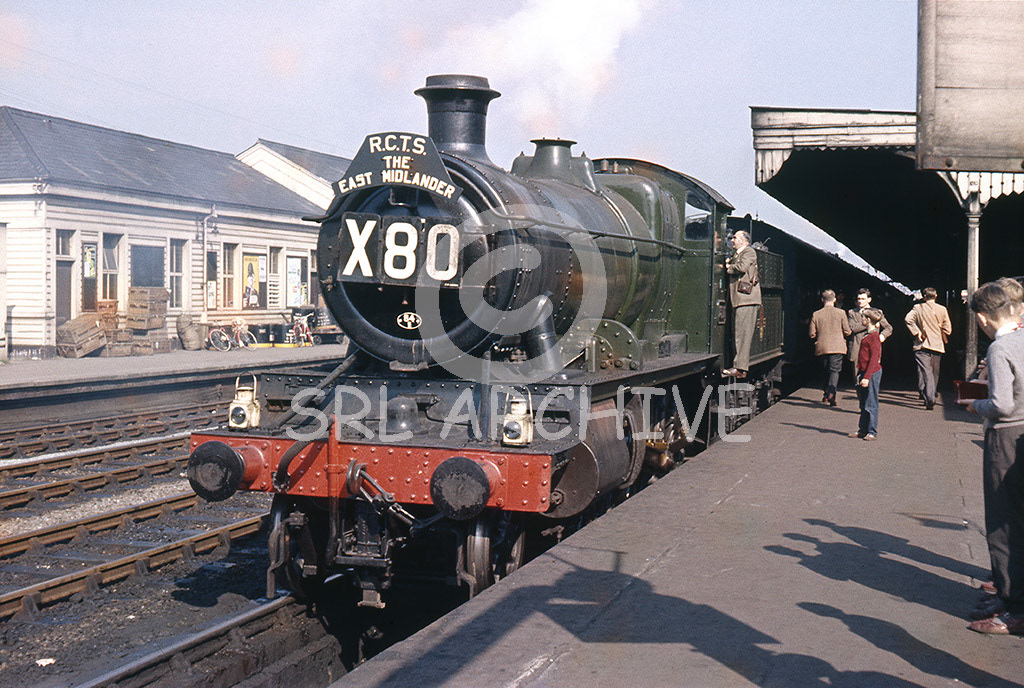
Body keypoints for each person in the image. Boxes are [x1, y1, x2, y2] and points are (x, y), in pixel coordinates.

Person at [959, 282, 1024, 635]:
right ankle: (1011, 597)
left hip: (1005, 438)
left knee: (1001, 523)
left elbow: (1001, 404)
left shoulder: (1001, 348)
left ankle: (1011, 607)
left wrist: (974, 405)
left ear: (982, 318)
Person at [904, 287, 952, 410]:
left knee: (926, 371)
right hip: (937, 345)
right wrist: (940, 326)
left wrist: (917, 332)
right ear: (936, 296)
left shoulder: (918, 308)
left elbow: (908, 319)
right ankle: (932, 392)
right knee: (935, 372)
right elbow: (948, 330)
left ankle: (929, 396)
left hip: (922, 344)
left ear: (924, 296)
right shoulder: (942, 309)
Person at [723, 230, 760, 379]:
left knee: (742, 335)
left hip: (747, 300)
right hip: (741, 300)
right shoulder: (738, 254)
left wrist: (728, 267)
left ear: (744, 241)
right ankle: (738, 366)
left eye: (735, 238)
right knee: (738, 333)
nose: (732, 240)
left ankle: (740, 368)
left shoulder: (749, 252)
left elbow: (741, 268)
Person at [809, 289, 852, 406]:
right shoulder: (841, 313)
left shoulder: (816, 314)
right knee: (835, 370)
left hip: (822, 347)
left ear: (822, 300)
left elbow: (812, 334)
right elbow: (847, 331)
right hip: (838, 346)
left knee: (825, 370)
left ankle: (825, 394)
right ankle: (832, 393)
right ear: (834, 299)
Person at [849, 308, 883, 440]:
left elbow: (874, 359)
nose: (861, 320)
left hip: (872, 373)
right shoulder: (867, 335)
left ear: (868, 320)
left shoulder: (874, 338)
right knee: (863, 403)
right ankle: (863, 429)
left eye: (863, 318)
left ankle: (872, 431)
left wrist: (867, 377)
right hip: (864, 372)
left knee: (871, 403)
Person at [847, 288, 892, 385]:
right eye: (859, 299)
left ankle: (869, 400)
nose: (860, 301)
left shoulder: (877, 312)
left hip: (872, 349)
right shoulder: (852, 312)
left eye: (863, 299)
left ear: (869, 299)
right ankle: (861, 399)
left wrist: (882, 336)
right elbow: (853, 328)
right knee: (858, 380)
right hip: (857, 349)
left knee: (871, 378)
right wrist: (871, 321)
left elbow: (889, 327)